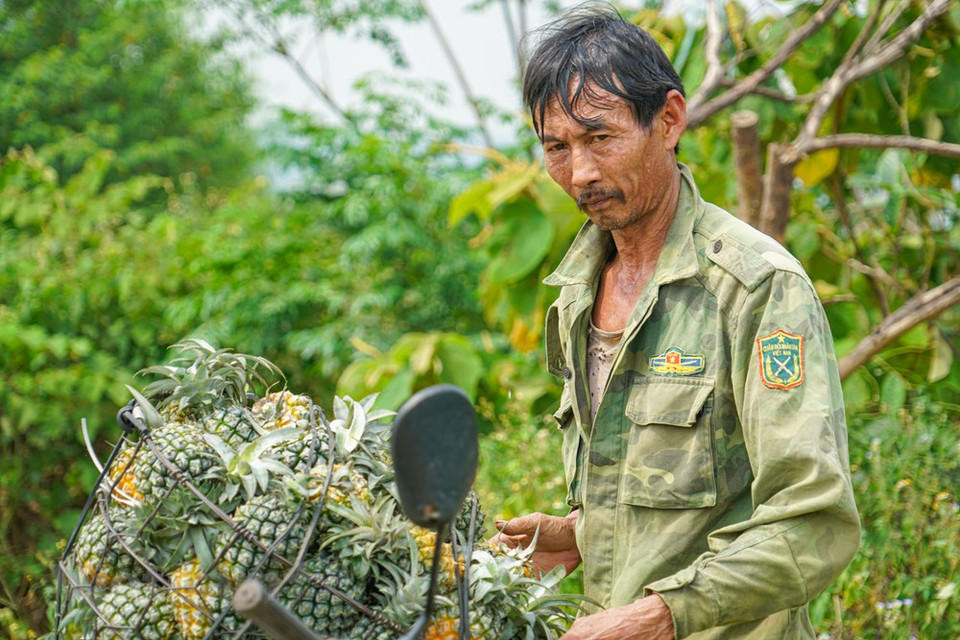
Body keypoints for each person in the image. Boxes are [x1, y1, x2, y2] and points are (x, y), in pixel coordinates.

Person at [491, 4, 861, 639]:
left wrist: (661, 616)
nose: (579, 172)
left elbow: (814, 523)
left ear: (668, 120)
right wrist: (580, 533)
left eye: (600, 138)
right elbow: (684, 493)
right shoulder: (577, 291)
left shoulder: (755, 287)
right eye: (557, 147)